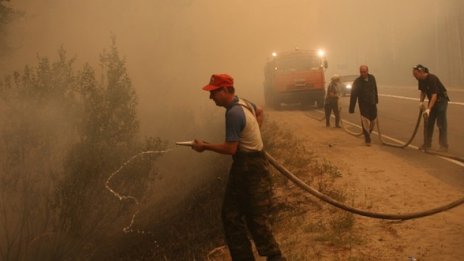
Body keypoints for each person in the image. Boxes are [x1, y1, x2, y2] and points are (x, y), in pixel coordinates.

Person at [192, 74, 285, 261]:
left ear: (226, 90)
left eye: (214, 93)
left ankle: (276, 257)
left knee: (256, 219)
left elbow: (230, 148)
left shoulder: (233, 113)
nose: (211, 98)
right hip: (246, 167)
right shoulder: (242, 102)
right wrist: (255, 133)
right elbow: (259, 110)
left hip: (251, 170)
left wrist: (204, 146)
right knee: (231, 215)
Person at [412, 64, 450, 151]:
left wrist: (429, 109)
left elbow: (434, 95)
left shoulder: (431, 78)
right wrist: (421, 102)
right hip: (433, 100)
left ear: (421, 72)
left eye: (416, 74)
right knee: (428, 122)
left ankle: (443, 146)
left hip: (441, 100)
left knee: (441, 123)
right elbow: (423, 91)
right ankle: (427, 144)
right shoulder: (420, 80)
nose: (415, 77)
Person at [348, 65, 379, 146]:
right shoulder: (357, 82)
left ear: (367, 71)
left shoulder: (372, 78)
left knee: (373, 120)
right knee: (365, 121)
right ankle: (367, 139)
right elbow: (353, 95)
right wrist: (351, 108)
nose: (363, 73)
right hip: (363, 104)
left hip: (372, 103)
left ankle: (368, 132)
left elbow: (375, 89)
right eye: (361, 72)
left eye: (364, 72)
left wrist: (376, 99)